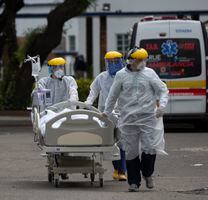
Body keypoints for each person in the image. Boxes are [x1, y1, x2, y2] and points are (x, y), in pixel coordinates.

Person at [102, 47, 169, 192]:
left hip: (148, 118)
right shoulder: (121, 75)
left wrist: (162, 106)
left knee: (150, 148)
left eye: (144, 60)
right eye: (139, 60)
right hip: (128, 119)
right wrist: (107, 112)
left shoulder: (150, 73)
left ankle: (147, 173)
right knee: (131, 151)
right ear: (131, 60)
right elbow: (112, 96)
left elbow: (162, 89)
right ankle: (133, 182)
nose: (142, 62)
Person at [85, 51, 127, 181]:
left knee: (122, 142)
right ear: (106, 63)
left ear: (121, 61)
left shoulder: (126, 76)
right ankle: (117, 169)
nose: (113, 64)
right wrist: (88, 103)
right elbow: (94, 91)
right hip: (105, 114)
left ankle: (122, 171)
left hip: (122, 113)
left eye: (116, 61)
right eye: (110, 62)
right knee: (110, 142)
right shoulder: (102, 77)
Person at [37, 57, 79, 180]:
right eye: (56, 67)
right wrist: (44, 114)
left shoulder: (69, 80)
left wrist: (73, 104)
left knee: (65, 139)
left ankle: (64, 165)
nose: (59, 69)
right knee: (54, 135)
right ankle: (56, 163)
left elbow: (73, 93)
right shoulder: (44, 82)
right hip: (50, 113)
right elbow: (42, 102)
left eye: (61, 67)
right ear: (51, 68)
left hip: (66, 113)